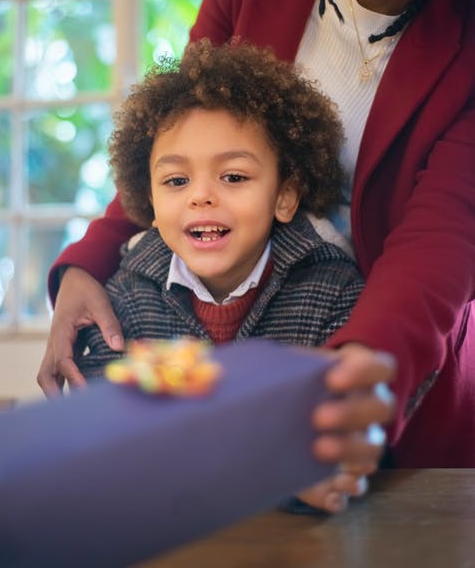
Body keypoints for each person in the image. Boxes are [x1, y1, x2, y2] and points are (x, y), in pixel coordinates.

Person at [39, 0, 474, 469]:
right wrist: (86, 263)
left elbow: (441, 243)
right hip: (238, 373)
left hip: (393, 388)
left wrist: (345, 380)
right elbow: (184, 140)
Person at [79, 38, 373, 512]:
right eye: (176, 181)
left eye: (233, 177)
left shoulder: (335, 293)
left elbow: (342, 443)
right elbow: (105, 436)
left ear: (285, 196)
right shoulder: (124, 301)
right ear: (150, 202)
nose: (201, 196)